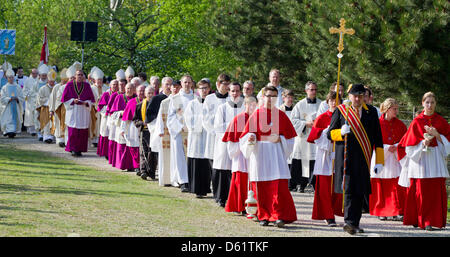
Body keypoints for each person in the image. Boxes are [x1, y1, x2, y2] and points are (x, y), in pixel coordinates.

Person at [327, 83, 384, 235]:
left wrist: (380, 160)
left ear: (364, 97)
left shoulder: (371, 112)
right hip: (345, 156)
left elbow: (378, 137)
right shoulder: (341, 111)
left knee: (360, 190)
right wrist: (340, 132)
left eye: (360, 95)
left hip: (364, 157)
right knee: (349, 189)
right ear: (350, 96)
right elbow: (329, 134)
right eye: (355, 95)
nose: (358, 98)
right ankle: (349, 222)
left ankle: (355, 223)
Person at [239, 85, 297, 227]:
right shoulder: (257, 115)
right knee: (262, 187)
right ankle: (263, 215)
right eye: (268, 96)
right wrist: (251, 138)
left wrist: (281, 139)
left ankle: (278, 216)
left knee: (278, 187)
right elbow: (246, 135)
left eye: (273, 96)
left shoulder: (281, 115)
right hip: (260, 154)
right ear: (263, 97)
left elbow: (291, 139)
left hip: (276, 154)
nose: (270, 99)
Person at [398, 92, 449, 231]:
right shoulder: (417, 121)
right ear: (422, 104)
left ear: (435, 104)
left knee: (435, 192)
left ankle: (436, 220)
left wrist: (437, 135)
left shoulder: (441, 121)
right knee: (422, 192)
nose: (430, 105)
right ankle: (424, 221)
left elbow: (448, 144)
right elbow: (408, 148)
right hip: (421, 162)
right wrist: (423, 143)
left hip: (436, 160)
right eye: (427, 102)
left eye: (432, 102)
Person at [367, 98, 407, 222]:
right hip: (381, 156)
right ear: (387, 109)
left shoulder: (400, 124)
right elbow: (371, 141)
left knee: (396, 186)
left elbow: (406, 140)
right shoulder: (376, 123)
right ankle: (381, 211)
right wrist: (386, 147)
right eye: (394, 109)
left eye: (397, 108)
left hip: (395, 158)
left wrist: (398, 146)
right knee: (381, 186)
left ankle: (397, 211)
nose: (396, 111)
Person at [308, 91, 343, 227]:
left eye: (337, 101)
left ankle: (335, 211)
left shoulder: (342, 117)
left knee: (336, 186)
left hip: (338, 154)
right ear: (327, 102)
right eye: (332, 100)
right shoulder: (322, 117)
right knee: (324, 187)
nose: (334, 103)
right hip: (324, 155)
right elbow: (313, 136)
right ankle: (328, 216)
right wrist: (326, 132)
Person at [212, 82, 245, 207]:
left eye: (237, 91)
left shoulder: (244, 107)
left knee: (236, 171)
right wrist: (234, 126)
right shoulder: (223, 108)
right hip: (225, 142)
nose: (235, 93)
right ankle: (221, 197)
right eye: (232, 91)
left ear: (240, 92)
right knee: (223, 169)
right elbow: (218, 126)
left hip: (240, 143)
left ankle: (236, 199)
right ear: (228, 92)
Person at [223, 95, 258, 214]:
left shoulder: (258, 119)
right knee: (240, 180)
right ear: (246, 105)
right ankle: (240, 206)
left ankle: (252, 205)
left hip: (254, 154)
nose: (253, 107)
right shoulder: (239, 119)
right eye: (250, 105)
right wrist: (243, 145)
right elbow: (232, 140)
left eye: (255, 105)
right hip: (241, 155)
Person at [290, 81, 322, 192]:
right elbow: (293, 121)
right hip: (303, 137)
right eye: (311, 89)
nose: (313, 92)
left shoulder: (321, 104)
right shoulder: (300, 105)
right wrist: (305, 124)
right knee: (302, 161)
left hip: (315, 138)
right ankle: (301, 184)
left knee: (314, 161)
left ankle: (314, 183)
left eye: (315, 90)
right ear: (306, 91)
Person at [183, 79, 212, 198]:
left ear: (209, 89)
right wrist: (200, 123)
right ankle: (195, 189)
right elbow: (188, 120)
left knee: (206, 163)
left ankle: (205, 188)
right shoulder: (192, 104)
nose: (204, 91)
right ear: (197, 90)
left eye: (206, 88)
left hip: (208, 136)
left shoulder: (212, 104)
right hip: (196, 136)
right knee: (196, 163)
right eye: (201, 88)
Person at [167, 75, 195, 192]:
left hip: (193, 132)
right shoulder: (176, 98)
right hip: (179, 132)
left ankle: (192, 180)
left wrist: (193, 127)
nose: (187, 84)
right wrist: (180, 127)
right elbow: (170, 117)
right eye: (185, 82)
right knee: (180, 156)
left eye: (189, 82)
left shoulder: (196, 98)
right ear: (181, 84)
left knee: (192, 156)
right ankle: (183, 181)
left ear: (192, 84)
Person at [61, 69, 96, 157]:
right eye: (78, 75)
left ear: (83, 76)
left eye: (81, 75)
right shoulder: (69, 85)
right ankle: (73, 149)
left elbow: (91, 100)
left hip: (83, 111)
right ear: (75, 76)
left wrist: (86, 102)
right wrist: (73, 100)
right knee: (73, 132)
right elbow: (64, 99)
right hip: (73, 110)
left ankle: (80, 149)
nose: (79, 76)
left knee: (82, 132)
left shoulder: (87, 86)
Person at [202, 74, 231, 180]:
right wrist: (217, 132)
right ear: (218, 84)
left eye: (229, 84)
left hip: (227, 137)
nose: (228, 86)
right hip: (213, 137)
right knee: (214, 163)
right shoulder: (209, 99)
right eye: (225, 84)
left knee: (227, 164)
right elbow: (205, 119)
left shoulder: (232, 99)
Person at [110, 83, 136, 170]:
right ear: (125, 89)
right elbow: (112, 113)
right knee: (122, 145)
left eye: (131, 88)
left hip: (132, 125)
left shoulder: (136, 98)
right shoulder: (119, 97)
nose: (129, 90)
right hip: (121, 123)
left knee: (132, 145)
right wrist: (120, 113)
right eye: (128, 88)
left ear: (134, 89)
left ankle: (131, 165)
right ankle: (122, 165)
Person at [133, 86, 155, 179]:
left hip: (154, 132)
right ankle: (143, 170)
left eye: (151, 93)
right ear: (145, 94)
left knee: (152, 152)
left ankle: (151, 172)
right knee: (143, 151)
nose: (150, 95)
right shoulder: (140, 105)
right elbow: (135, 120)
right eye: (148, 93)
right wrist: (142, 123)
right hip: (144, 131)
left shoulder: (157, 105)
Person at [120, 84, 143, 173]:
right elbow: (125, 117)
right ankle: (136, 166)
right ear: (136, 92)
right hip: (133, 127)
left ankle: (141, 166)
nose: (141, 92)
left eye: (142, 91)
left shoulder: (148, 101)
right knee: (133, 147)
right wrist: (122, 129)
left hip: (144, 127)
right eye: (139, 91)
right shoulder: (131, 102)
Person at [96, 79, 118, 157]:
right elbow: (100, 107)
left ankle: (113, 154)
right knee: (106, 134)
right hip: (106, 117)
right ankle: (106, 153)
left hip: (116, 119)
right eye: (113, 84)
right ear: (110, 86)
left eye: (116, 84)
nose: (115, 86)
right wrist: (109, 110)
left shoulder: (120, 95)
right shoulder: (106, 94)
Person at [48, 68, 69, 147]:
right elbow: (52, 99)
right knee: (58, 122)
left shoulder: (68, 86)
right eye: (63, 80)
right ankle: (60, 139)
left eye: (66, 80)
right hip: (58, 108)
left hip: (66, 109)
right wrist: (51, 110)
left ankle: (65, 139)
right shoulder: (56, 87)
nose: (64, 81)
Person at [0, 69, 24, 138]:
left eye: (12, 77)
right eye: (9, 77)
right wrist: (9, 99)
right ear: (7, 78)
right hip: (7, 107)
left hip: (15, 106)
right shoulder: (4, 88)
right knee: (7, 118)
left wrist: (17, 98)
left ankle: (13, 131)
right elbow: (2, 98)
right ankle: (8, 131)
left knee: (14, 118)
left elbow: (21, 96)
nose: (11, 79)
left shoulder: (18, 87)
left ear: (14, 77)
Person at [36, 68, 57, 143]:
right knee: (46, 122)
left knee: (53, 122)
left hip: (54, 109)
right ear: (48, 80)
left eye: (53, 81)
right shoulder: (42, 88)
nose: (52, 83)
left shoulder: (56, 88)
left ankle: (51, 136)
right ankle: (46, 136)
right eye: (50, 81)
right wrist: (49, 101)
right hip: (45, 108)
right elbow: (39, 99)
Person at [90, 67, 109, 147]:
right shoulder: (91, 88)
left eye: (101, 80)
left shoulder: (106, 88)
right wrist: (97, 100)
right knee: (95, 124)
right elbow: (90, 98)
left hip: (104, 110)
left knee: (103, 124)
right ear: (94, 80)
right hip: (94, 109)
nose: (100, 82)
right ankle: (94, 140)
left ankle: (101, 140)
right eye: (98, 80)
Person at [33, 64, 50, 141]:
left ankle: (46, 133)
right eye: (42, 75)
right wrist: (38, 97)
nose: (44, 77)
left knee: (47, 119)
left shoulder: (50, 83)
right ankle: (39, 133)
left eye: (45, 75)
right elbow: (32, 93)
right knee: (38, 118)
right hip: (38, 104)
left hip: (47, 105)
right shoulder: (36, 84)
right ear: (39, 75)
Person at [22, 68, 39, 135]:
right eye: (33, 73)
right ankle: (31, 129)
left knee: (36, 113)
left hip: (37, 99)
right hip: (30, 100)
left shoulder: (39, 80)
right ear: (31, 73)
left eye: (36, 73)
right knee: (30, 115)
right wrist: (27, 94)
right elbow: (24, 90)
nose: (34, 74)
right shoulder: (28, 80)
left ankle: (37, 128)